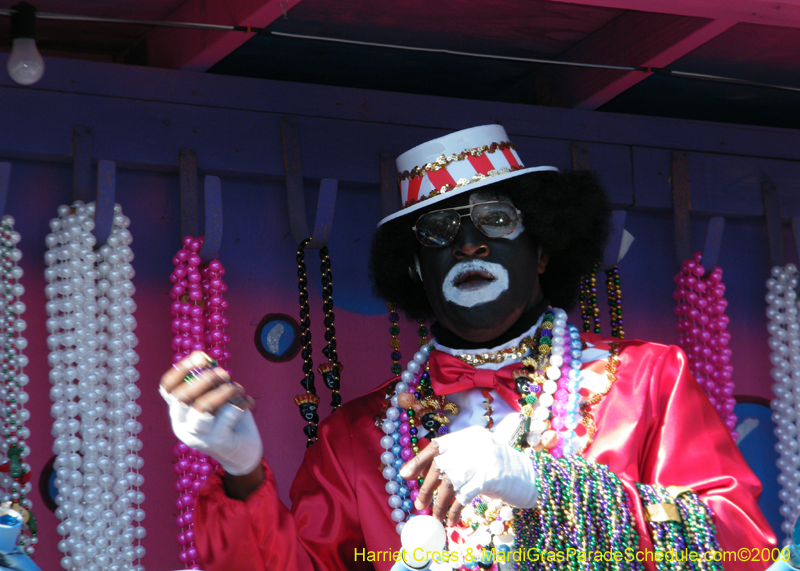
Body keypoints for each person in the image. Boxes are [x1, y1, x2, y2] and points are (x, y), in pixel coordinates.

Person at [160, 125, 776, 571]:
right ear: (418, 272)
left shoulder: (648, 379)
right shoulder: (357, 437)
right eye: (440, 232)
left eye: (496, 222)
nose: (469, 245)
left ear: (541, 251)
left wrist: (539, 482)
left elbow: (741, 548)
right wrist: (241, 473)